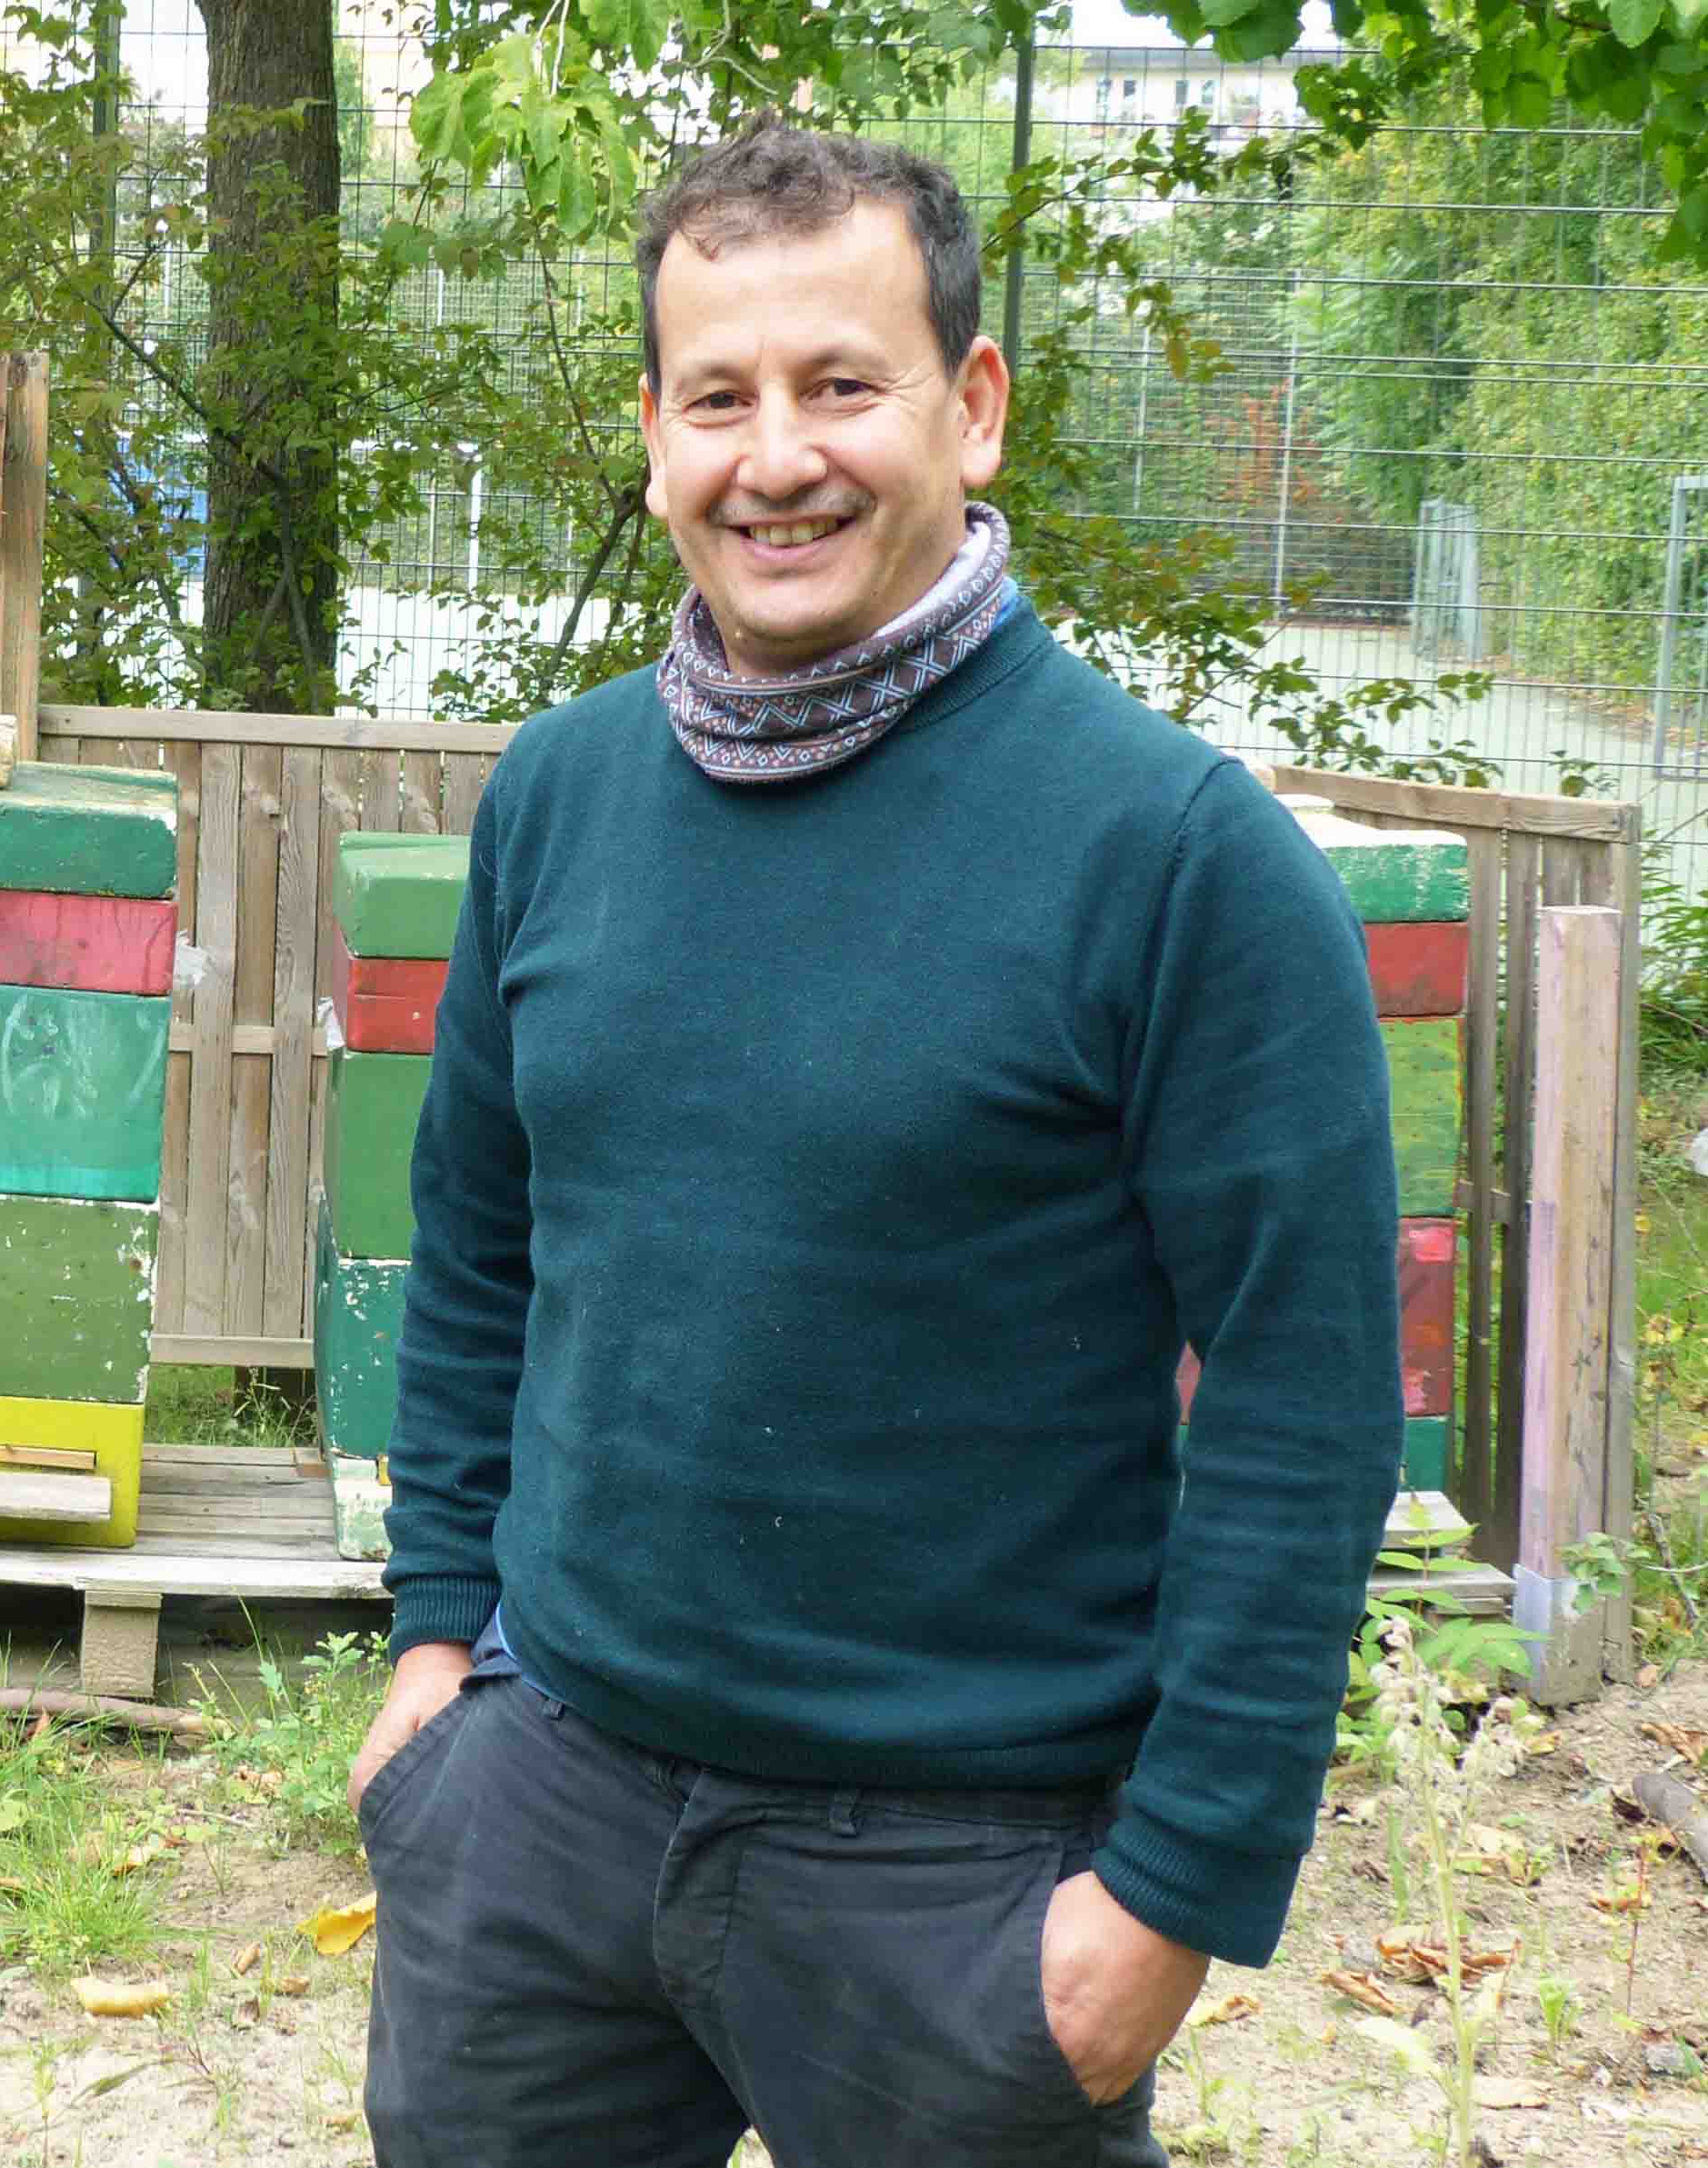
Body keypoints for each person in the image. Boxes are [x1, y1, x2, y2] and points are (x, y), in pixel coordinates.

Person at [354, 125, 1400, 2168]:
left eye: (841, 384)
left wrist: (1170, 1898)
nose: (777, 459)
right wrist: (433, 1650)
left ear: (971, 405)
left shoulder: (1174, 858)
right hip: (540, 1812)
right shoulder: (554, 799)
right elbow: (478, 1252)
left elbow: (1305, 1396)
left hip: (963, 1872)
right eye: (717, 398)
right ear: (651, 437)